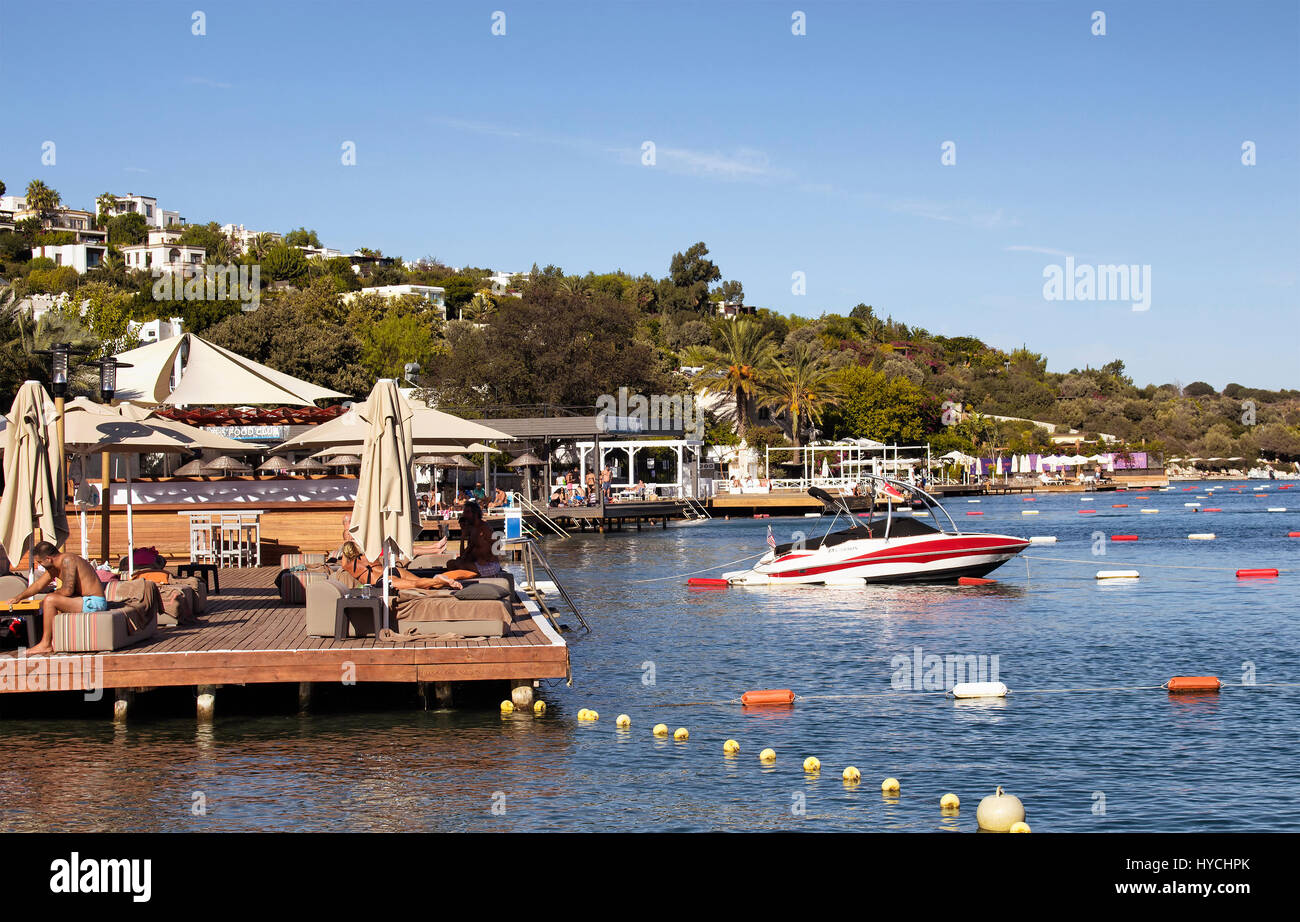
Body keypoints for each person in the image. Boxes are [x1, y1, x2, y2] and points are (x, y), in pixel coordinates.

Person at [6, 542, 105, 656]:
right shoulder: (54, 567)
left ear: (48, 559)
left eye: (40, 562)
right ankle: (51, 642)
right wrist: (18, 597)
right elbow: (38, 585)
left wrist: (51, 596)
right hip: (83, 600)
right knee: (50, 599)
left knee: (50, 600)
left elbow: (68, 590)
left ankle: (46, 644)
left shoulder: (68, 560)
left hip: (94, 602)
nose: (40, 565)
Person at [335, 516, 473, 590]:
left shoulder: (349, 566)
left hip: (383, 581)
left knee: (416, 585)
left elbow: (344, 558)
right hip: (392, 571)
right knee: (422, 583)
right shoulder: (369, 555)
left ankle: (438, 579)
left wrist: (348, 543)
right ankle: (439, 580)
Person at [446, 500, 503, 578]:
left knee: (459, 565)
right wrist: (463, 537)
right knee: (451, 563)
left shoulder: (484, 527)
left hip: (489, 565)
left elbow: (498, 543)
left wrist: (490, 558)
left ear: (475, 514)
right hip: (476, 564)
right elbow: (464, 555)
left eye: (467, 512)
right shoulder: (472, 530)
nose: (464, 515)